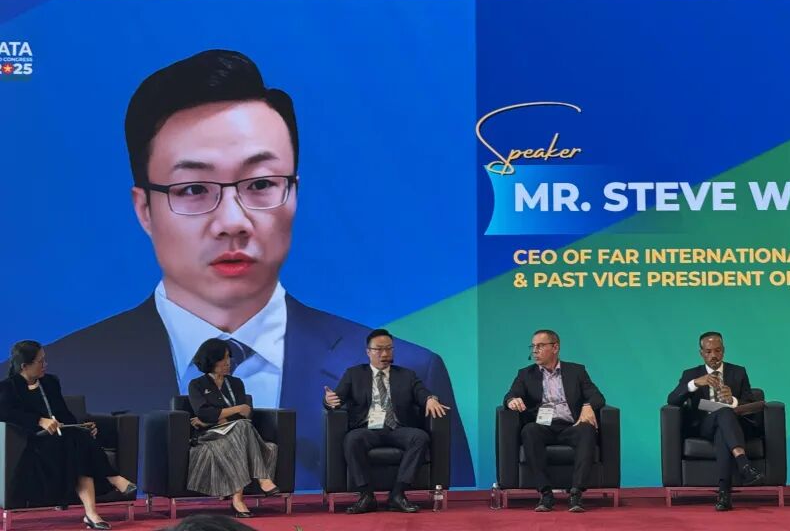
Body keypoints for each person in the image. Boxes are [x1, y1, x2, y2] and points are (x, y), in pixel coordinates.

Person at [32, 49, 472, 490]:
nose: (232, 222)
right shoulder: (64, 374)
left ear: (294, 194)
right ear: (144, 209)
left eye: (261, 184)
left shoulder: (416, 366)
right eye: (193, 189)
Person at [0, 341, 136, 530]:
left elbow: (64, 414)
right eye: (40, 361)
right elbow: (6, 413)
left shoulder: (50, 382)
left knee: (78, 440)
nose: (45, 365)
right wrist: (39, 420)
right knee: (77, 443)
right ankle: (112, 477)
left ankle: (92, 513)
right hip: (34, 443)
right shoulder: (8, 387)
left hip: (63, 440)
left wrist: (81, 427)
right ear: (24, 366)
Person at [324, 329, 450, 514]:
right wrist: (329, 401)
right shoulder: (354, 374)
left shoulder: (407, 375)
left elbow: (421, 392)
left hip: (397, 428)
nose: (384, 354)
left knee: (420, 438)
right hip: (367, 429)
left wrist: (430, 399)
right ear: (368, 351)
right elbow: (337, 398)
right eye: (379, 349)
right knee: (352, 439)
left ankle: (398, 494)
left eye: (389, 349)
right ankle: (366, 495)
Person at [503, 329, 605, 514]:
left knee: (587, 430)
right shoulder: (525, 374)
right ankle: (545, 493)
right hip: (543, 426)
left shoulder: (576, 371)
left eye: (540, 346)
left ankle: (576, 493)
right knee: (529, 430)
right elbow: (511, 394)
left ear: (555, 347)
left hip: (571, 426)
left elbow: (597, 396)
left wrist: (588, 405)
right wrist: (512, 401)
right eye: (533, 346)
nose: (535, 351)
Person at [667, 331, 764, 511]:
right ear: (701, 353)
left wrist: (733, 400)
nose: (714, 355)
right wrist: (695, 383)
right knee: (722, 413)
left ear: (723, 351)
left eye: (718, 351)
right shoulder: (691, 374)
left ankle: (724, 494)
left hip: (732, 425)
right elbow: (672, 399)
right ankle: (743, 464)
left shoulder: (738, 372)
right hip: (705, 425)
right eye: (709, 351)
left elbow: (751, 405)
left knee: (723, 424)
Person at [185, 339, 279, 518]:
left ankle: (238, 499)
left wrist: (215, 418)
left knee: (242, 427)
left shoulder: (236, 383)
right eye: (223, 358)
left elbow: (245, 415)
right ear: (211, 360)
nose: (228, 362)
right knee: (243, 427)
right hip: (210, 436)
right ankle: (263, 478)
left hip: (236, 431)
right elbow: (205, 413)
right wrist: (235, 409)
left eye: (229, 357)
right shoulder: (196, 385)